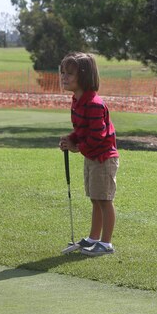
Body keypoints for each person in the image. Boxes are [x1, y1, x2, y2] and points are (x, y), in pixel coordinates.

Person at [58, 52, 119, 257]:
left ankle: (106, 243)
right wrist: (71, 138)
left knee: (104, 199)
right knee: (95, 198)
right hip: (92, 156)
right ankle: (93, 238)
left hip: (103, 157)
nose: (64, 77)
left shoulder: (93, 104)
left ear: (83, 77)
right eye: (63, 73)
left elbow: (97, 136)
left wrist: (77, 147)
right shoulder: (77, 100)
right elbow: (82, 130)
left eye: (69, 74)